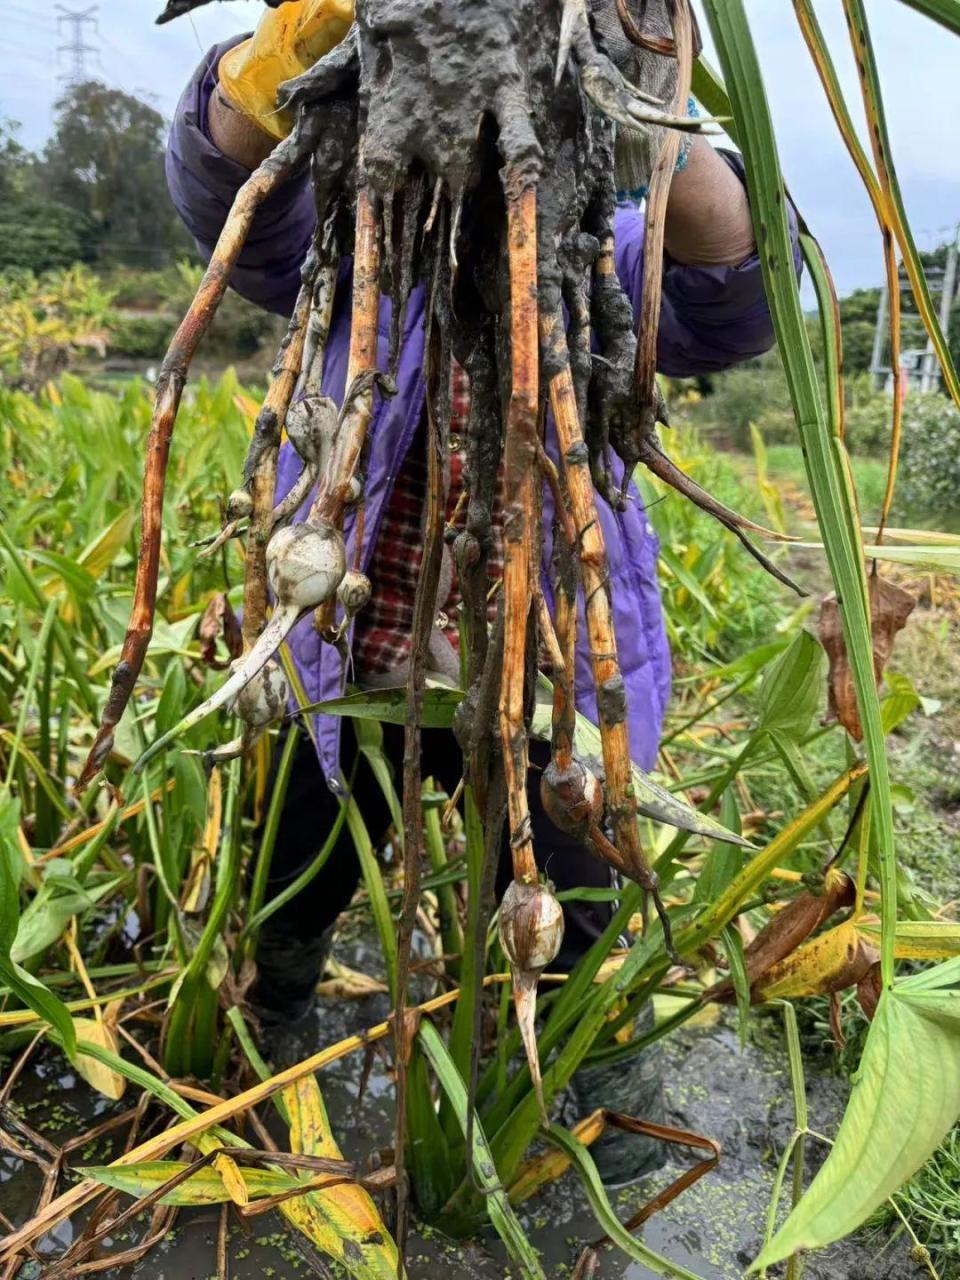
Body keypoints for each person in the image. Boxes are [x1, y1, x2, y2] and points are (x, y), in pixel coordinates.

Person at [165, 0, 799, 1185]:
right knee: (294, 878)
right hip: (357, 662)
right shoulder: (361, 243)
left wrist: (655, 100)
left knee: (578, 907)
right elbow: (226, 200)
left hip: (551, 676)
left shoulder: (600, 249)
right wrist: (290, 46)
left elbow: (733, 298)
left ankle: (577, 1111)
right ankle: (260, 1040)